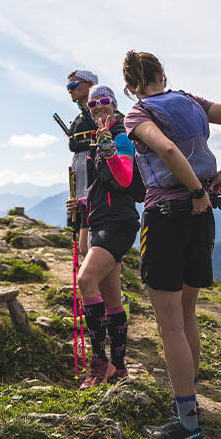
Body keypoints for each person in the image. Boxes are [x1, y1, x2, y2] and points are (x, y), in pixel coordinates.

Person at [121, 50, 221, 439]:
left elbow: (165, 150)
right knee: (187, 313)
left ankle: (187, 424)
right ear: (163, 74)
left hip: (166, 218)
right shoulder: (195, 103)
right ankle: (189, 405)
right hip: (203, 218)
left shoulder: (137, 114)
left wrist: (196, 190)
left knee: (169, 326)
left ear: (130, 86)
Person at [65, 85, 139, 388]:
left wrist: (107, 145)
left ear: (115, 104)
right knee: (110, 297)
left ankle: (98, 361)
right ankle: (118, 368)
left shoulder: (121, 135)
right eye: (94, 103)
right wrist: (82, 203)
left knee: (85, 281)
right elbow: (106, 187)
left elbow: (125, 176)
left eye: (105, 102)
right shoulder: (100, 137)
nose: (99, 107)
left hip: (118, 223)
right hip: (101, 219)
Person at [65, 70, 101, 256]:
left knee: (89, 244)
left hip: (94, 185)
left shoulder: (103, 113)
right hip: (77, 186)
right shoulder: (78, 119)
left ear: (90, 85)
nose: (69, 90)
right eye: (67, 87)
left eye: (73, 85)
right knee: (81, 245)